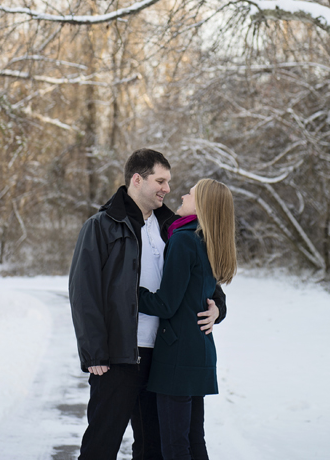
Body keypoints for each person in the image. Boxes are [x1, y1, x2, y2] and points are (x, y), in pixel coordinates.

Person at [69, 149, 227, 460]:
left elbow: (204, 275)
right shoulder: (101, 226)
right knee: (102, 442)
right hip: (118, 355)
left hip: (165, 355)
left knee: (153, 446)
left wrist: (218, 306)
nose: (167, 189)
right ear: (137, 179)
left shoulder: (173, 225)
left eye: (169, 182)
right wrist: (93, 351)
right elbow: (83, 292)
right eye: (160, 180)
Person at [138, 178, 237, 460]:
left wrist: (129, 293)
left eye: (190, 194)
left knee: (175, 445)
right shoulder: (208, 240)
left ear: (202, 205)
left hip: (177, 356)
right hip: (200, 351)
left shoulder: (184, 239)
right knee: (194, 440)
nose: (181, 195)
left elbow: (165, 304)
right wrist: (218, 308)